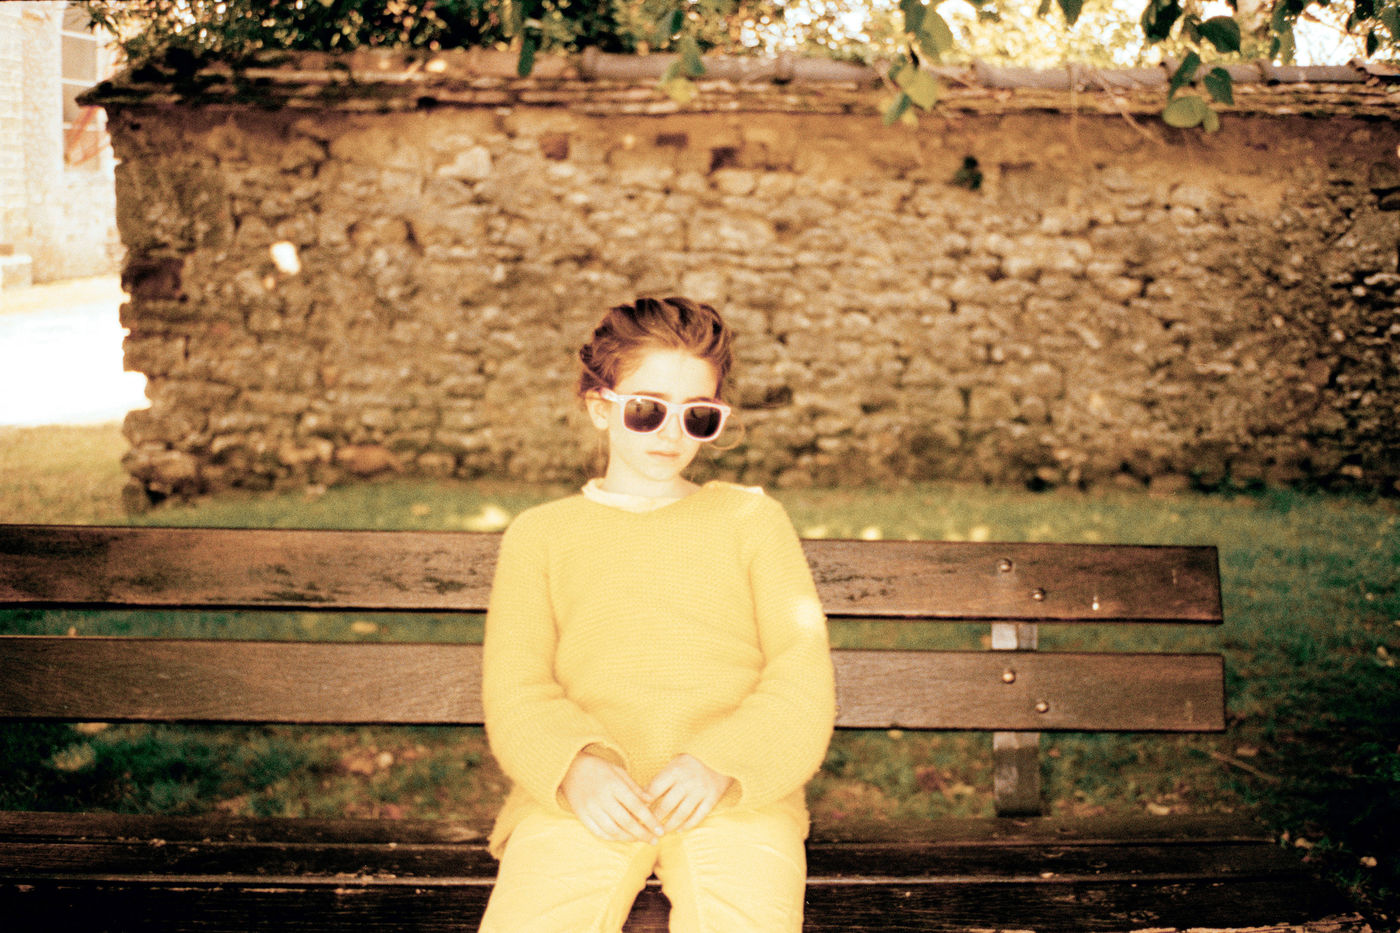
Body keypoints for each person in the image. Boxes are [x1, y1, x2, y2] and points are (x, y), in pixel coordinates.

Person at [478, 296, 837, 933]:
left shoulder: (752, 522)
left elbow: (800, 674)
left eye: (697, 415)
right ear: (600, 407)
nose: (672, 435)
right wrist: (575, 769)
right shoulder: (540, 536)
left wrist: (722, 761)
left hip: (732, 793)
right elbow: (517, 688)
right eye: (647, 410)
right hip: (584, 799)